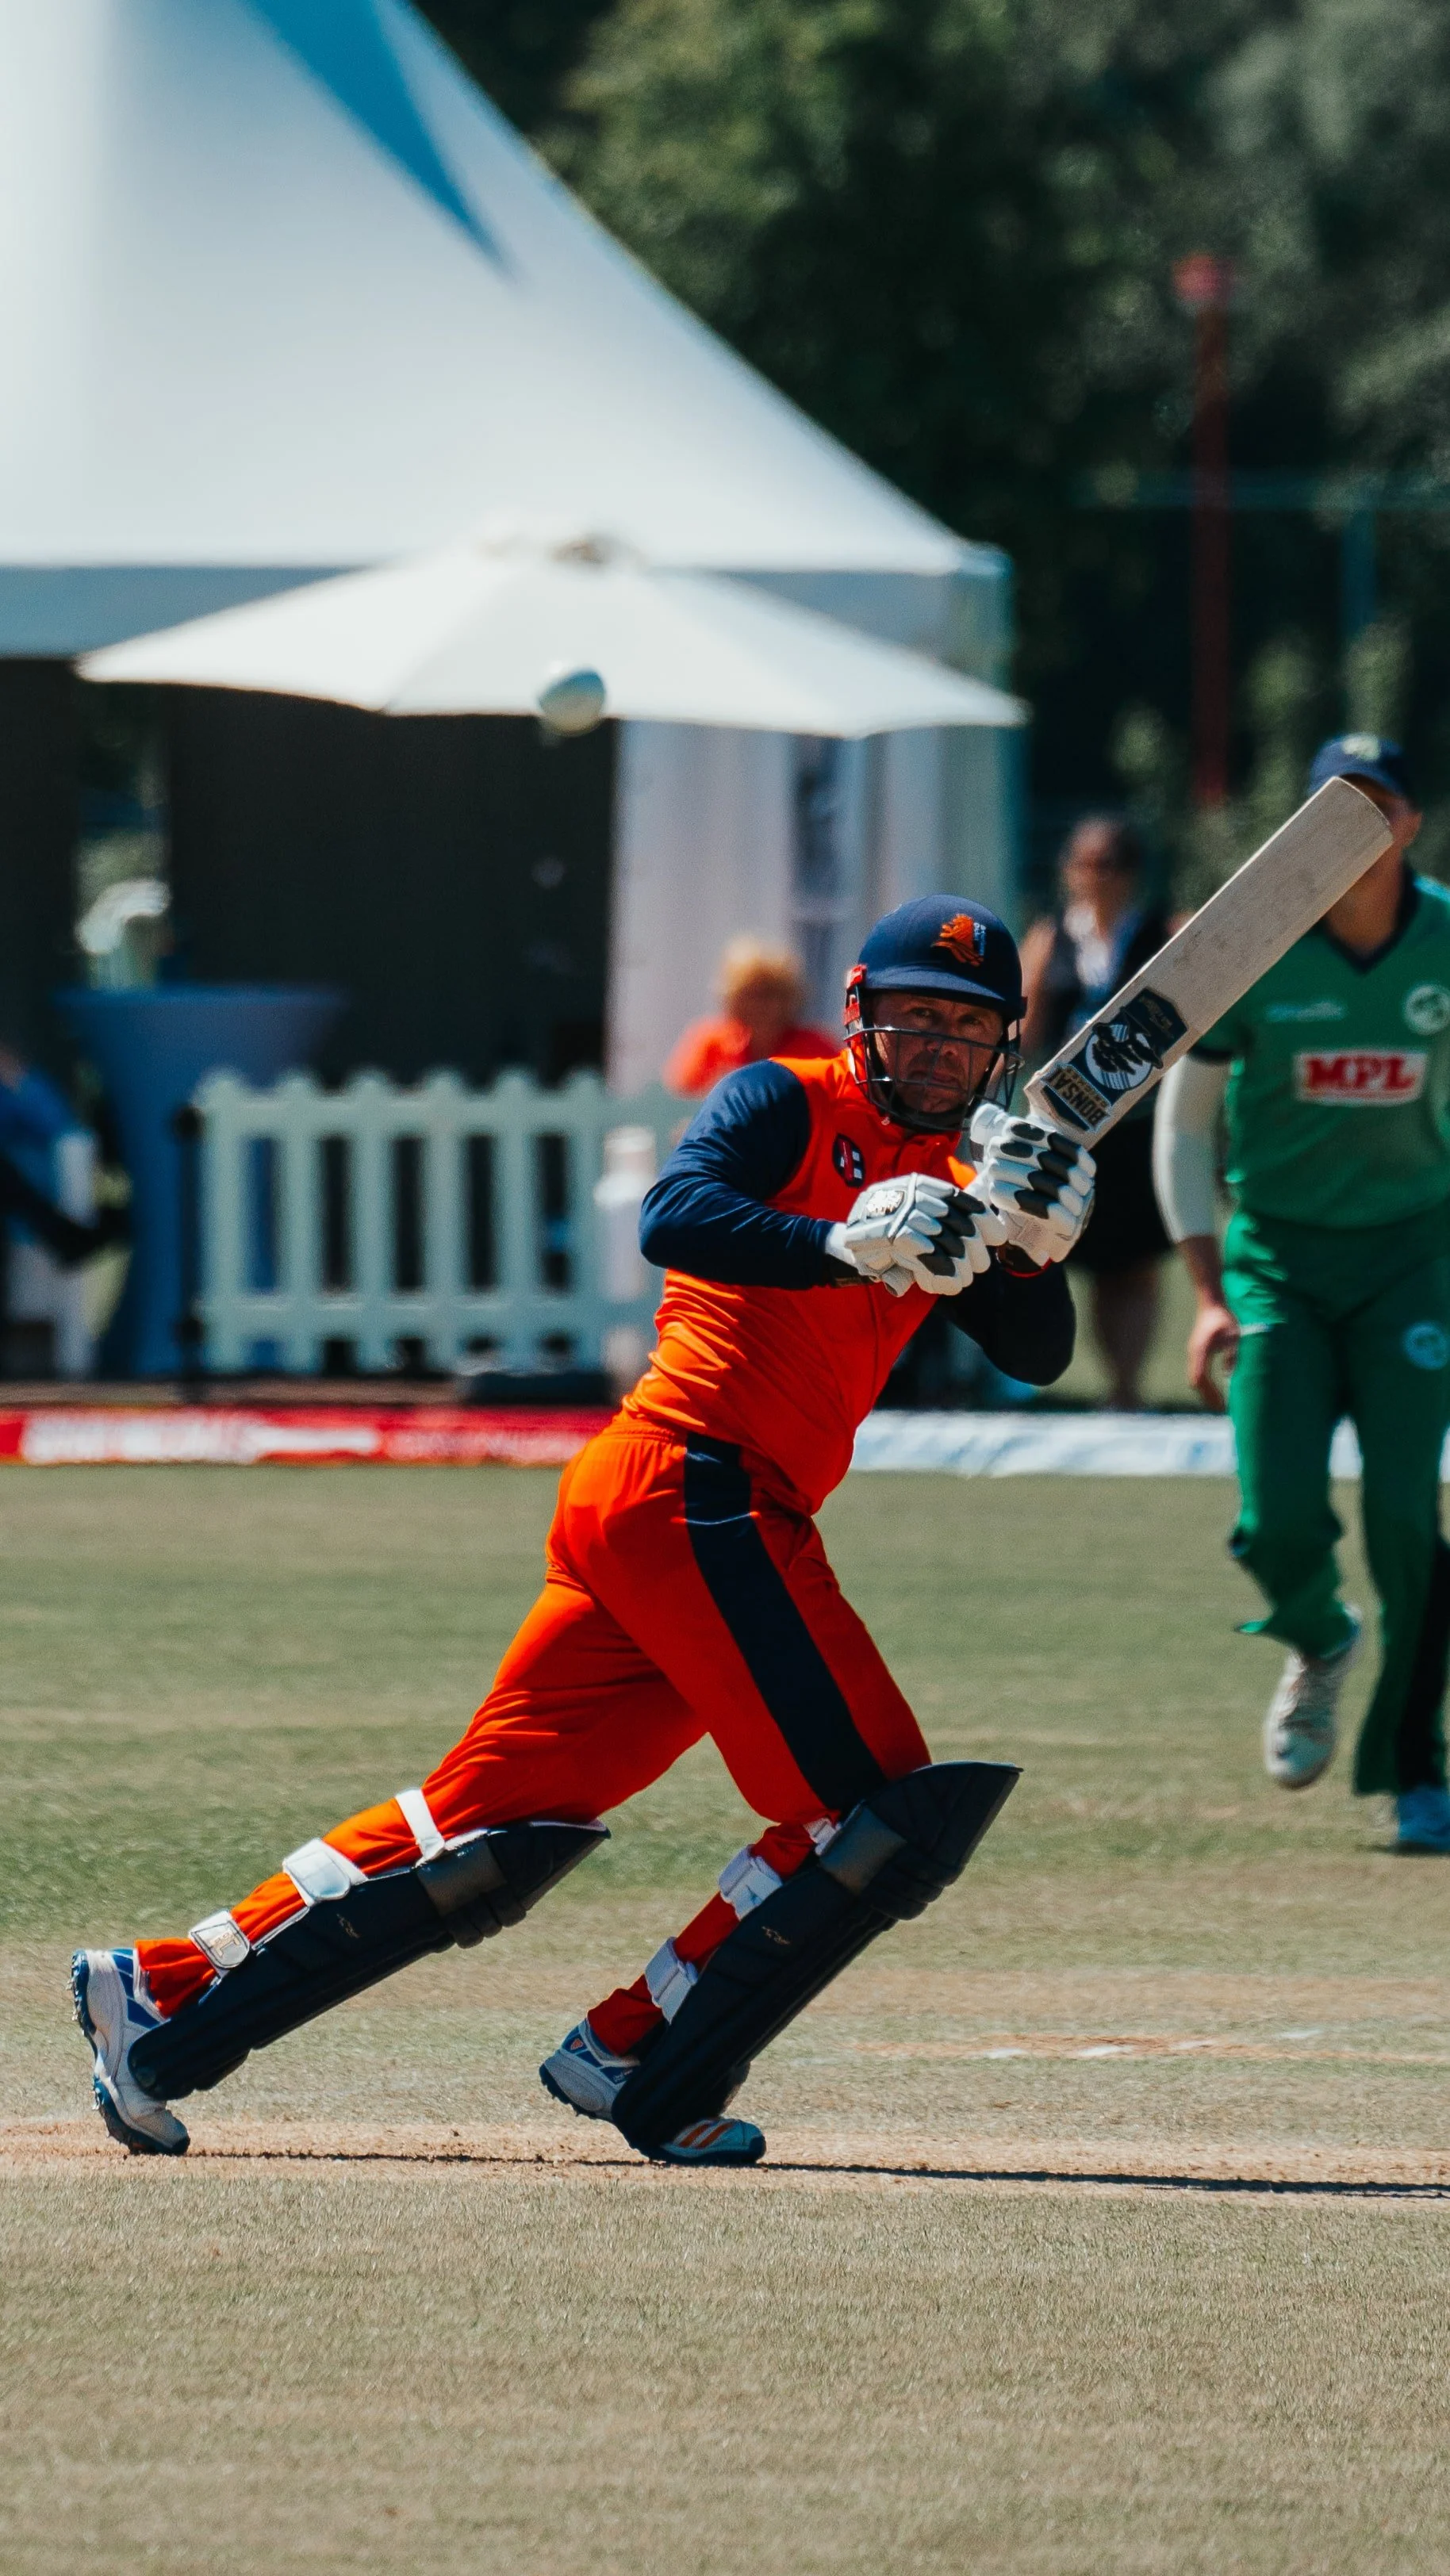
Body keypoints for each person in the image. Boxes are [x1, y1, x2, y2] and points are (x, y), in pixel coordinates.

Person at [72, 895, 1094, 2165]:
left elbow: (1037, 1353)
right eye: (914, 1016)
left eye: (966, 1026)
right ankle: (644, 2061)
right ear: (859, 1015)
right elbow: (677, 1211)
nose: (938, 1043)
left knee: (482, 1831)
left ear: (1003, 1047)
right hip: (696, 1485)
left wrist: (1036, 1249)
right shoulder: (784, 1096)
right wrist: (839, 1240)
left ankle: (159, 1997)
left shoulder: (958, 1179)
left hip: (677, 1511)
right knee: (875, 1811)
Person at [1154, 735, 1450, 1850]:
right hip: (1276, 1258)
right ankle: (1321, 1634)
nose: (1352, 832)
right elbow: (1185, 1129)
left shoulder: (1444, 941)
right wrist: (1204, 1288)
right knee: (1274, 1519)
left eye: (1375, 810)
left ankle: (1417, 1768)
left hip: (1412, 1257)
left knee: (1404, 1522)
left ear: (1410, 825)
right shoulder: (1251, 946)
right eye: (1332, 807)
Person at [1020, 819, 1177, 1408]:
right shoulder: (1051, 935)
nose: (1094, 876)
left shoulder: (1165, 930)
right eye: (1083, 863)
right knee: (1050, 1252)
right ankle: (1036, 1379)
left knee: (1132, 1263)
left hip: (1138, 1126)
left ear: (1132, 871)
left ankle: (1126, 1388)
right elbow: (1026, 1025)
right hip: (1066, 1128)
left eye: (1108, 863)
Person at [665, 937, 838, 1095]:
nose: (761, 1006)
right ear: (733, 997)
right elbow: (680, 1100)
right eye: (751, 995)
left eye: (771, 994)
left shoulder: (818, 1048)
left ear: (790, 998)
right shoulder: (709, 1042)